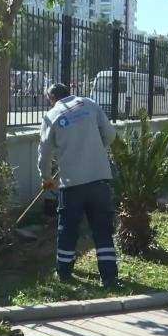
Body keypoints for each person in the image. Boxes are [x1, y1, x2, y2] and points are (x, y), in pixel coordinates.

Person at [38, 83, 118, 288]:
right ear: (68, 93)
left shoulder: (51, 116)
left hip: (72, 184)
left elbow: (44, 154)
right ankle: (109, 277)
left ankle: (64, 273)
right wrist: (95, 149)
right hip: (99, 179)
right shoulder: (89, 104)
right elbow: (110, 134)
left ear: (52, 98)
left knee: (68, 229)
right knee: (102, 229)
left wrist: (46, 178)